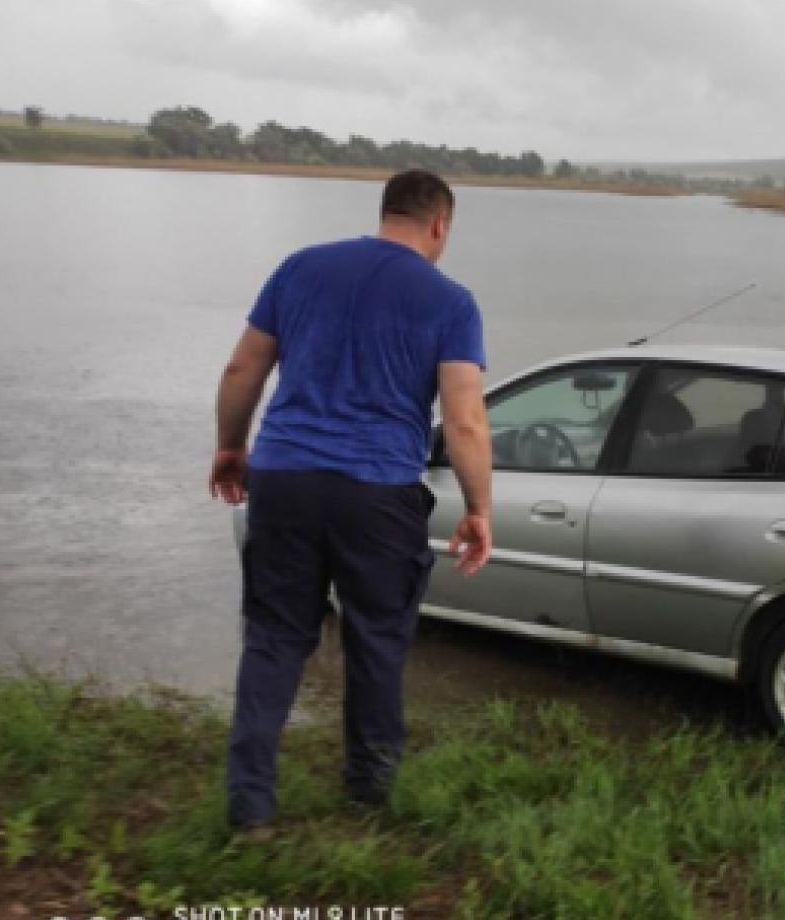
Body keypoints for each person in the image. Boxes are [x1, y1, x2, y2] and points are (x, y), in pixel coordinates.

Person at [208, 169, 494, 831]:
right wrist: (479, 508)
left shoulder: (300, 268)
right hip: (378, 493)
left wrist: (231, 446)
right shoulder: (451, 302)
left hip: (282, 478)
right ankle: (368, 794)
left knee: (275, 637)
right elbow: (466, 421)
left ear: (386, 210)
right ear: (440, 225)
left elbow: (240, 368)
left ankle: (248, 807)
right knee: (375, 640)